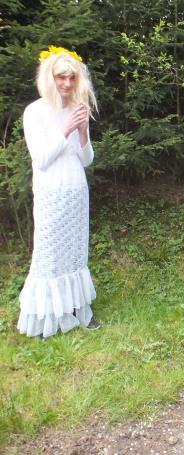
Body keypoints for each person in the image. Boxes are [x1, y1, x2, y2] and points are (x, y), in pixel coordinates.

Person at [17, 46, 99, 339]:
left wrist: (82, 131)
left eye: (72, 78)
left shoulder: (77, 109)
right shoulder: (35, 112)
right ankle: (46, 318)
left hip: (77, 191)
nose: (67, 83)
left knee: (76, 253)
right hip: (51, 194)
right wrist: (66, 128)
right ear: (50, 78)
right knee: (49, 255)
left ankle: (79, 309)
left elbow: (86, 158)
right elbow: (41, 159)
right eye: (61, 77)